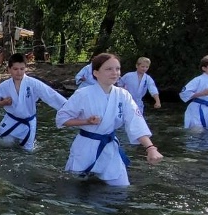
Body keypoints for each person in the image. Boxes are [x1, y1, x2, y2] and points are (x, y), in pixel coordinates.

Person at [57, 53, 164, 186]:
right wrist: (86, 121)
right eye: (109, 69)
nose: (115, 73)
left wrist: (150, 148)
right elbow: (62, 118)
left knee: (122, 187)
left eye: (117, 69)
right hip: (85, 147)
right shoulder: (83, 94)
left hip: (109, 147)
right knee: (74, 187)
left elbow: (136, 122)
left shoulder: (123, 95)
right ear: (96, 73)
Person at [0, 53, 67, 151]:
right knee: (5, 144)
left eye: (22, 69)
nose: (19, 72)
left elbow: (51, 95)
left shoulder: (33, 83)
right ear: (9, 69)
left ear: (25, 68)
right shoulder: (5, 85)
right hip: (11, 121)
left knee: (28, 151)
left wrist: (70, 108)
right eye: (15, 69)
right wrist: (3, 103)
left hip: (28, 122)